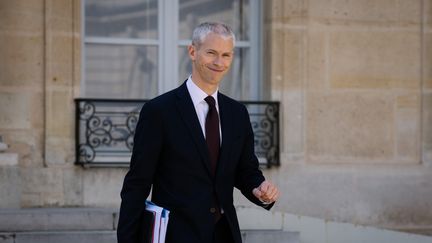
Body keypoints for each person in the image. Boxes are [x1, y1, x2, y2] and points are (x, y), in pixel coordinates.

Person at [117, 22, 280, 243]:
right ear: (193, 52)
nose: (219, 62)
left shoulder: (237, 113)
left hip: (225, 235)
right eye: (211, 53)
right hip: (175, 235)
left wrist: (259, 188)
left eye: (226, 55)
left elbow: (246, 170)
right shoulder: (159, 111)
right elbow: (137, 183)